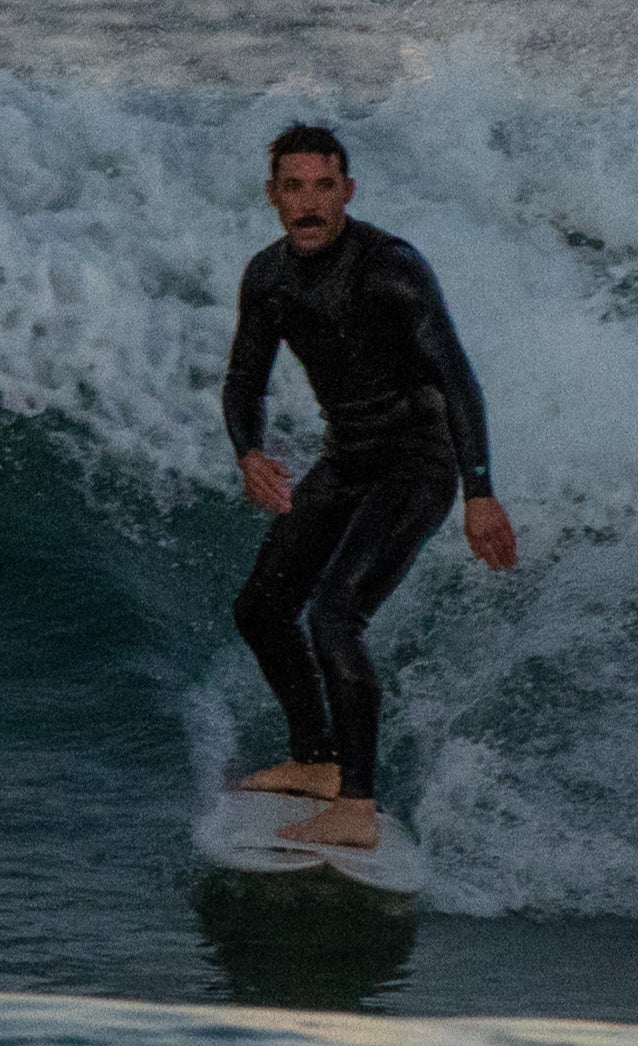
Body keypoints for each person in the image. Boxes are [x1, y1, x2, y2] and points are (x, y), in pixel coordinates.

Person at [218, 123, 517, 849]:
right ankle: (315, 760)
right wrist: (248, 450)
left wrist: (479, 490)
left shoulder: (391, 269)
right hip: (346, 459)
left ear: (347, 191)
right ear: (272, 197)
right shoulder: (268, 279)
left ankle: (355, 803)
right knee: (260, 609)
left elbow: (457, 381)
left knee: (334, 615)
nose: (308, 203)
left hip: (417, 465)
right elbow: (243, 380)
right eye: (293, 187)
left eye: (324, 186)